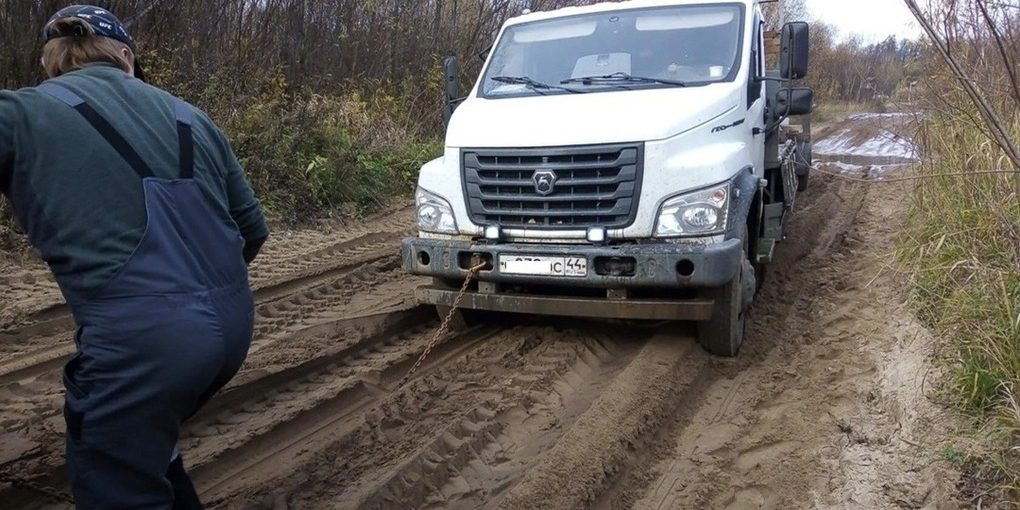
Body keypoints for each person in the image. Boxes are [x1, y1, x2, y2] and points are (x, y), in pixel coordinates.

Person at [0, 5, 269, 508]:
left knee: (115, 476)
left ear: (51, 61)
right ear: (125, 56)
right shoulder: (193, 116)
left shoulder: (20, 112)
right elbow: (252, 230)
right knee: (148, 451)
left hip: (141, 341)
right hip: (232, 326)